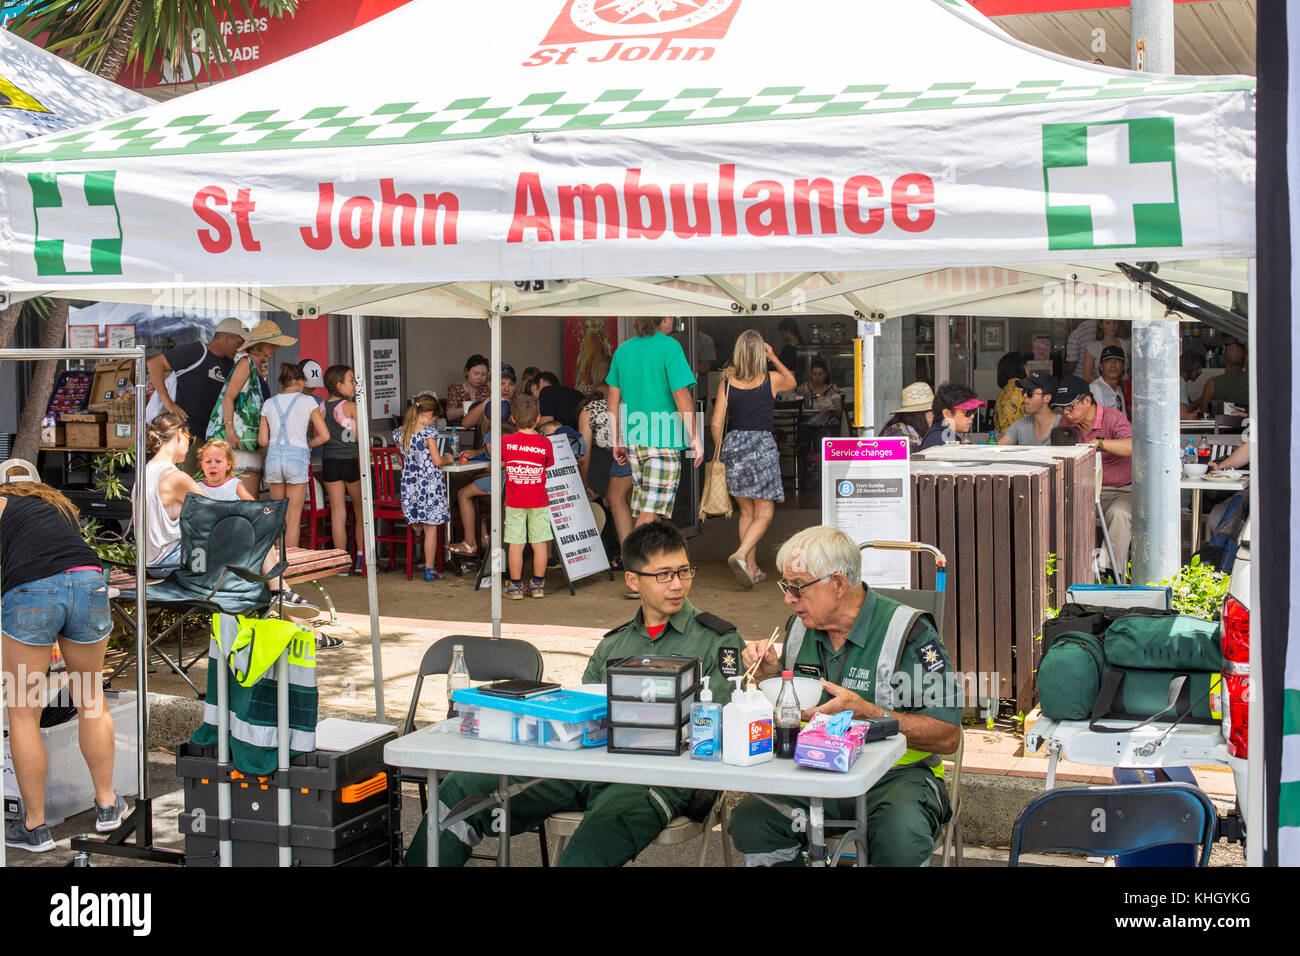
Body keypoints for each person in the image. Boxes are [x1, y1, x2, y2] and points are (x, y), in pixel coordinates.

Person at [404, 520, 745, 867]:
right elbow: (585, 717)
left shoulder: (718, 640)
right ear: (632, 580)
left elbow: (717, 725)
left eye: (684, 572)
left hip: (656, 778)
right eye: (664, 575)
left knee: (584, 853)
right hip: (586, 768)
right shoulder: (614, 644)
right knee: (462, 788)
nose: (677, 584)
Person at [729, 525, 960, 867]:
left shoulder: (912, 633)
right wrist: (772, 679)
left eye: (797, 588)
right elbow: (794, 710)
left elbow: (948, 735)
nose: (788, 598)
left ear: (837, 584)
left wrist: (871, 713)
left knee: (901, 836)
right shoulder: (798, 629)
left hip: (896, 778)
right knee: (754, 821)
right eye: (785, 586)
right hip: (816, 772)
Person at [1, 481, 125, 852]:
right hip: (90, 585)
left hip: (32, 592)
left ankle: (35, 827)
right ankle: (107, 806)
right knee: (90, 699)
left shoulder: (2, 501)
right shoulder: (59, 506)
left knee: (23, 712)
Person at [710, 330, 796, 590]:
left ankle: (753, 568)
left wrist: (723, 452)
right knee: (765, 512)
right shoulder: (770, 379)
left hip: (734, 444)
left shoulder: (727, 382)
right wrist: (774, 357)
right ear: (761, 353)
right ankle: (741, 554)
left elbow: (716, 422)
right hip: (761, 444)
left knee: (747, 511)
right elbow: (792, 381)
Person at [606, 316, 701, 535]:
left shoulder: (624, 350)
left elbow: (613, 399)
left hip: (635, 441)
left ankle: (647, 565)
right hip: (663, 440)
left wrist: (616, 441)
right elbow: (681, 394)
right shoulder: (670, 346)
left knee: (648, 512)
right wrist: (695, 437)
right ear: (665, 319)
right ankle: (634, 559)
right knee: (649, 514)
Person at [1052, 375, 1134, 578]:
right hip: (1083, 490)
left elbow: (1132, 445)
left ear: (1087, 401)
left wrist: (1099, 443)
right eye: (1062, 409)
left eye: (1070, 407)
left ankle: (1107, 573)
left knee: (1119, 514)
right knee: (1056, 510)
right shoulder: (1066, 423)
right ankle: (1064, 570)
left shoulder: (1112, 418)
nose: (1066, 413)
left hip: (1121, 490)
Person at [206, 318, 296, 498]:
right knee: (245, 502)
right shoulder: (245, 363)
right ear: (262, 344)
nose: (276, 348)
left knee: (246, 501)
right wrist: (230, 431)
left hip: (248, 444)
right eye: (273, 344)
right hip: (238, 444)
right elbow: (228, 397)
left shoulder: (257, 367)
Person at [146, 317, 247, 475]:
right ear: (228, 337)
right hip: (189, 435)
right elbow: (154, 364)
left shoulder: (229, 364)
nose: (239, 348)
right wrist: (167, 401)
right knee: (186, 485)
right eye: (238, 343)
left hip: (213, 437)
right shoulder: (197, 351)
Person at [259, 363, 329, 551]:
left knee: (277, 515)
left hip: (273, 456)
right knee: (293, 517)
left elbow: (263, 440)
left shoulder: (269, 403)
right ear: (301, 381)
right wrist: (308, 444)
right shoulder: (308, 402)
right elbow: (324, 435)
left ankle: (275, 563)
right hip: (296, 457)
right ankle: (289, 565)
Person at [449, 365, 516, 557]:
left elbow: (498, 459)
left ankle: (471, 542)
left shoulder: (508, 414)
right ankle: (483, 535)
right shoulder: (502, 413)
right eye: (502, 383)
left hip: (504, 478)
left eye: (510, 384)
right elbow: (466, 422)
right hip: (510, 475)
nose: (506, 388)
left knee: (463, 492)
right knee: (471, 485)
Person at [499, 393, 555, 600]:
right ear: (538, 418)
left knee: (516, 544)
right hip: (538, 501)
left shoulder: (506, 441)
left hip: (514, 501)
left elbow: (502, 460)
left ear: (513, 419)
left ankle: (515, 587)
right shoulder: (544, 443)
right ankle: (538, 585)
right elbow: (548, 464)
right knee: (540, 543)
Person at [577, 354, 633, 553]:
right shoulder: (630, 402)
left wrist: (582, 484)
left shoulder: (590, 409)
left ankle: (623, 552)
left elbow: (584, 454)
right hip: (634, 459)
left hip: (601, 472)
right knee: (632, 504)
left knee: (615, 500)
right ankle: (637, 552)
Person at [395, 394, 453, 582]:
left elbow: (399, 459)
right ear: (428, 414)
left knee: (420, 523)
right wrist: (447, 458)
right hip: (429, 486)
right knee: (432, 529)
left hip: (410, 486)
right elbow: (436, 460)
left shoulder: (401, 432)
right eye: (434, 418)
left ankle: (418, 549)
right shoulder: (428, 434)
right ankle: (429, 569)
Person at [320, 365, 365, 573]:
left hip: (330, 461)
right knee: (360, 510)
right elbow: (360, 437)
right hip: (350, 461)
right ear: (339, 385)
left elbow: (316, 433)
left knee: (338, 513)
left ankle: (340, 563)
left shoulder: (320, 408)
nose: (354, 385)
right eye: (351, 380)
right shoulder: (351, 407)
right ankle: (360, 558)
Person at [998, 372, 1060, 446]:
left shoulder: (1064, 425)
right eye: (1024, 391)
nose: (1024, 396)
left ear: (1047, 398)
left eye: (1030, 393)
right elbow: (993, 450)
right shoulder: (1019, 425)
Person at [918, 384, 984, 451]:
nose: (972, 416)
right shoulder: (940, 439)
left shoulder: (943, 434)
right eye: (967, 412)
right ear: (947, 413)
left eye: (973, 411)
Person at [879, 382, 934, 448]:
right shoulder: (897, 432)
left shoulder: (912, 431)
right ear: (920, 414)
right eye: (932, 411)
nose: (934, 415)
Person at [1198, 343, 1249, 412]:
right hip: (1247, 422)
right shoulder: (1253, 382)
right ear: (1243, 362)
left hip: (1221, 422)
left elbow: (1204, 413)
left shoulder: (1212, 384)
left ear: (1222, 360)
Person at [445, 354, 491, 425]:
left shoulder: (488, 390)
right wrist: (470, 407)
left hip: (482, 432)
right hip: (459, 432)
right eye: (476, 373)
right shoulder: (455, 389)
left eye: (483, 374)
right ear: (467, 371)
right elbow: (450, 415)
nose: (480, 377)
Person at [992, 351, 1028, 435]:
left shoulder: (1004, 391)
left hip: (1000, 438)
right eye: (1026, 365)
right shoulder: (1022, 389)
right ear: (1021, 367)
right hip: (1014, 439)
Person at [1089, 344, 1128, 414]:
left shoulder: (1118, 390)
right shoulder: (1095, 388)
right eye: (1108, 360)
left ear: (1123, 367)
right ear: (1101, 366)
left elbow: (1123, 420)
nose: (1113, 364)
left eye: (1118, 360)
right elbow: (1098, 421)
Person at [1180, 350, 1206, 418]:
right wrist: (1204, 397)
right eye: (1197, 368)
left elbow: (1189, 406)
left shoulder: (1179, 381)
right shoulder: (1180, 381)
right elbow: (1184, 410)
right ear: (1188, 367)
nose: (1200, 372)